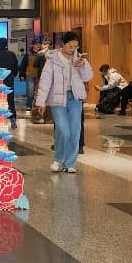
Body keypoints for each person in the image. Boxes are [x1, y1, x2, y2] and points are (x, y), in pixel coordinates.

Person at [35, 31, 92, 174]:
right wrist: (41, 102)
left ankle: (70, 163)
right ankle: (59, 159)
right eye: (70, 46)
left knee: (75, 132)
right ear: (63, 44)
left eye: (75, 47)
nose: (73, 49)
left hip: (75, 98)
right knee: (63, 130)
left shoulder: (79, 58)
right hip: (57, 99)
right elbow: (45, 81)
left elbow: (87, 77)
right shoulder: (52, 60)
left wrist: (82, 66)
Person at [0, 37, 19, 129]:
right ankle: (12, 119)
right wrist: (12, 75)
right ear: (6, 44)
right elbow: (16, 67)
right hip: (9, 80)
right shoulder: (12, 54)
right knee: (10, 100)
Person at [19, 39, 43, 112]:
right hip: (30, 75)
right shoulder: (28, 54)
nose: (38, 46)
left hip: (40, 76)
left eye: (39, 44)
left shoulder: (42, 54)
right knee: (30, 91)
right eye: (36, 44)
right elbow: (23, 65)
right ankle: (29, 105)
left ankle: (38, 106)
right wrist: (22, 75)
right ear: (33, 45)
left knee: (39, 92)